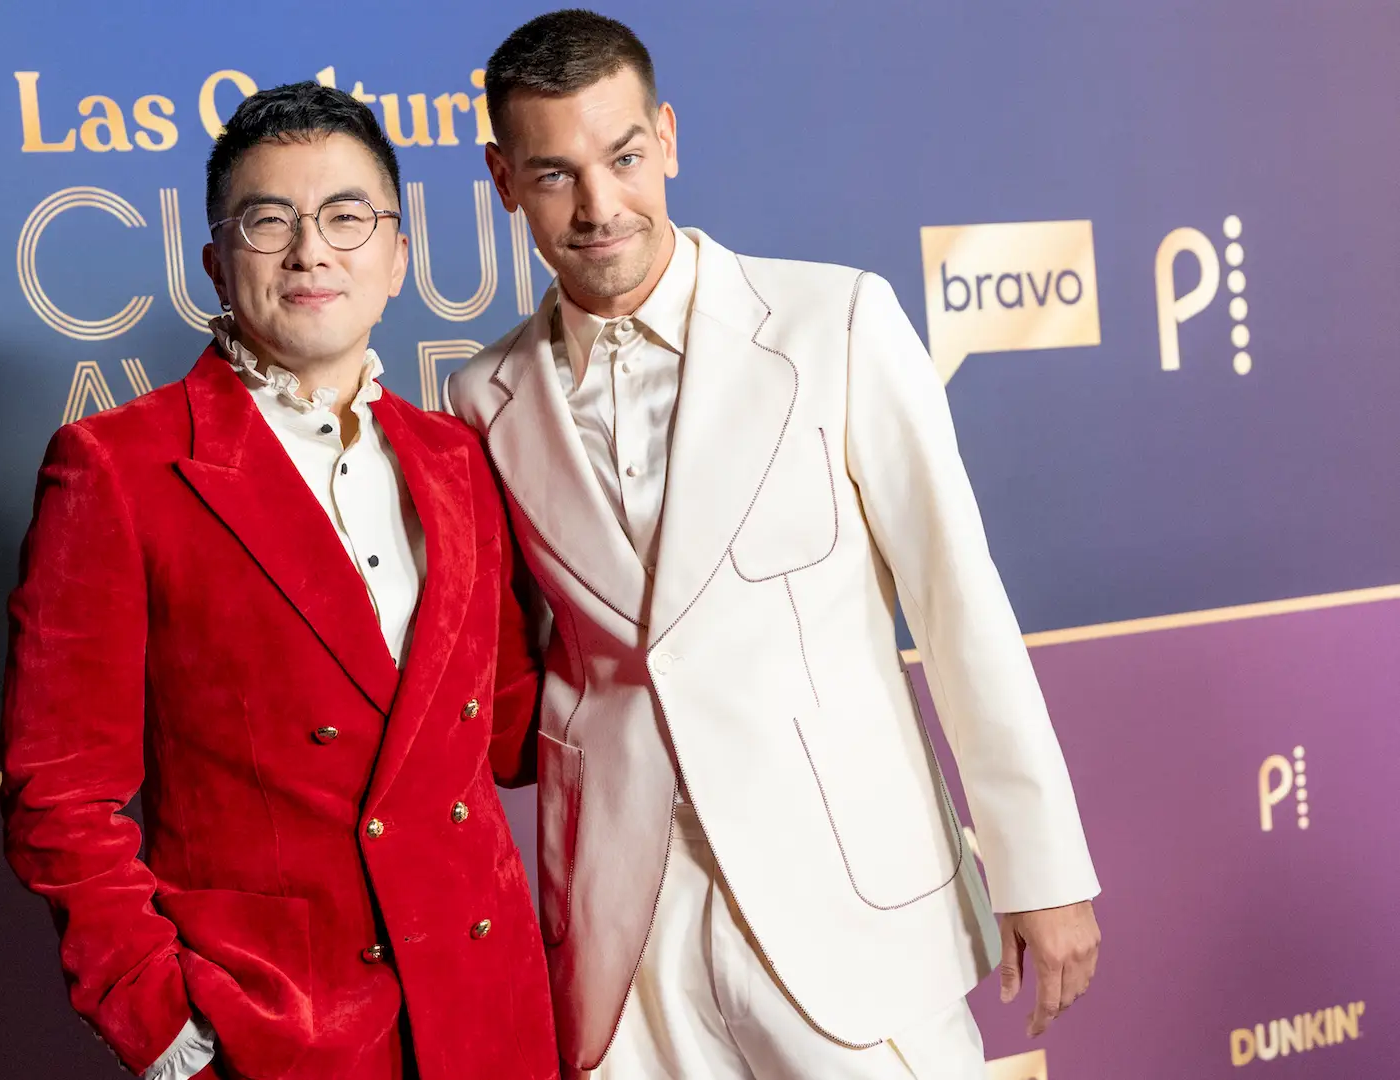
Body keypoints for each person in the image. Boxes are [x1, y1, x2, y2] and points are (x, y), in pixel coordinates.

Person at [445, 11, 1103, 1079]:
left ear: (667, 137)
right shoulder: (481, 396)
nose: (599, 206)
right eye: (555, 174)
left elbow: (956, 602)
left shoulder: (834, 320)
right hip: (625, 938)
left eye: (623, 157)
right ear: (503, 179)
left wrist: (1042, 868)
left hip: (847, 904)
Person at [0, 82, 558, 1080]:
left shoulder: (458, 459)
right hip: (276, 1033)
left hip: (490, 1011)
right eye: (269, 221)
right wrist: (160, 1023)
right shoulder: (117, 467)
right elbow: (61, 794)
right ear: (216, 263)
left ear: (397, 255)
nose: (311, 251)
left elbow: (516, 730)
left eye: (347, 217)